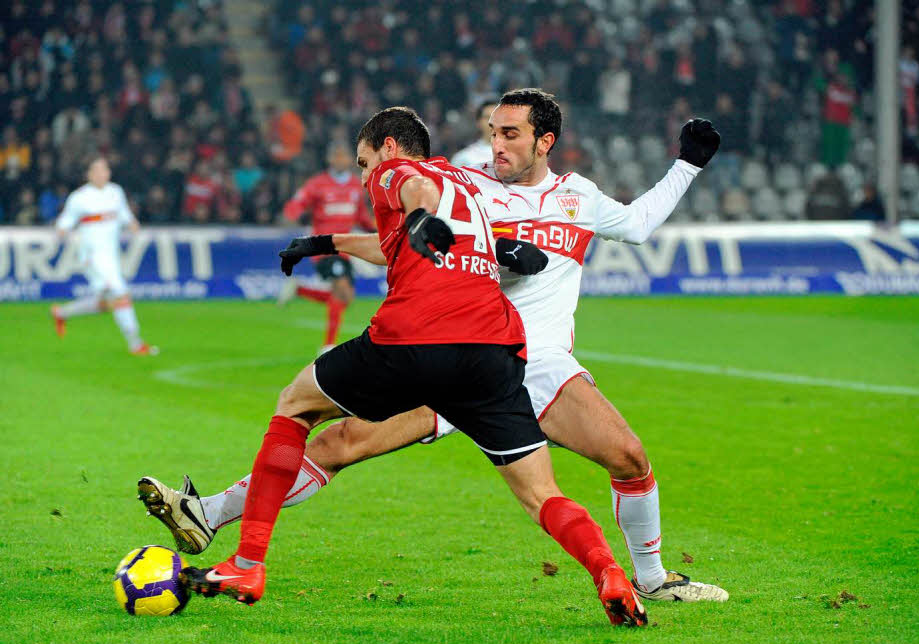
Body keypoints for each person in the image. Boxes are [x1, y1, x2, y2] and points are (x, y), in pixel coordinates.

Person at [142, 90, 728, 605]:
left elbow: (637, 223)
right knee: (342, 442)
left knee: (628, 458)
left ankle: (650, 578)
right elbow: (406, 236)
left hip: (539, 362)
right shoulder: (467, 185)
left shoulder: (578, 196)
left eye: (509, 134)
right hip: (471, 346)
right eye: (491, 131)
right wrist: (337, 243)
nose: (494, 144)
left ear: (545, 141)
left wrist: (686, 167)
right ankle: (210, 513)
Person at [49, 156, 156, 355]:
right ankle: (136, 344)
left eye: (104, 170)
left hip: (111, 256)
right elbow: (64, 222)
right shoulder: (79, 197)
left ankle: (61, 313)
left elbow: (124, 214)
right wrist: (62, 231)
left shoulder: (115, 192)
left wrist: (132, 224)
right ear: (88, 174)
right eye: (96, 170)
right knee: (121, 294)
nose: (101, 174)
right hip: (92, 256)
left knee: (105, 304)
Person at [278, 141, 375, 352]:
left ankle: (299, 289)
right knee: (340, 289)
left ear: (350, 159)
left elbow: (360, 216)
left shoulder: (355, 186)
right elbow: (299, 201)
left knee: (346, 297)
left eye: (343, 156)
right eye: (336, 156)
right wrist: (291, 213)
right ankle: (328, 345)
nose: (340, 160)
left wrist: (375, 229)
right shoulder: (317, 184)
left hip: (346, 249)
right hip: (323, 248)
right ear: (330, 159)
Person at [450, 99, 498, 168]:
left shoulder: (515, 155)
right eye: (487, 117)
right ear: (478, 122)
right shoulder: (463, 158)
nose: (492, 122)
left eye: (497, 117)